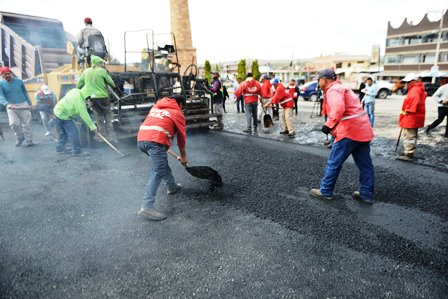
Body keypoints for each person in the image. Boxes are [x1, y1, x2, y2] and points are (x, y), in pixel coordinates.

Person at [309, 69, 375, 204]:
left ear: (325, 79)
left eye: (318, 79)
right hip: (363, 129)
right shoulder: (342, 88)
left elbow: (338, 108)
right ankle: (366, 194)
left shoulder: (333, 90)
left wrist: (328, 125)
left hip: (349, 131)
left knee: (334, 162)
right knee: (365, 165)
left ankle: (325, 191)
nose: (318, 82)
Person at [137, 95, 187, 221]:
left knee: (161, 163)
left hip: (142, 140)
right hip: (154, 142)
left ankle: (172, 187)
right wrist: (184, 157)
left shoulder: (156, 107)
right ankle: (146, 206)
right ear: (180, 105)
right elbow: (181, 138)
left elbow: (157, 124)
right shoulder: (177, 112)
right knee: (158, 170)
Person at [77, 55, 117, 142]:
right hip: (103, 98)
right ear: (98, 63)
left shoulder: (85, 71)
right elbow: (112, 83)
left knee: (98, 117)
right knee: (107, 115)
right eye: (102, 63)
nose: (102, 64)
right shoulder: (102, 71)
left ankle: (102, 136)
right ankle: (111, 135)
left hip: (92, 98)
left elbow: (78, 85)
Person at [53, 88, 98, 156]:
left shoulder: (76, 91)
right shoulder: (80, 103)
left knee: (64, 132)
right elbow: (85, 116)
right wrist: (93, 128)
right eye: (88, 98)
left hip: (57, 110)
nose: (88, 100)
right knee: (74, 132)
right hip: (63, 114)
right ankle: (77, 151)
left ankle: (60, 148)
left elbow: (68, 94)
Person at [0, 66, 34, 146]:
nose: (7, 76)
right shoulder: (1, 84)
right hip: (10, 105)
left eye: (8, 73)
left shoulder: (19, 81)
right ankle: (20, 137)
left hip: (23, 104)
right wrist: (6, 104)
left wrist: (29, 104)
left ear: (11, 73)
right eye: (5, 74)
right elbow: (0, 95)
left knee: (26, 123)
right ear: (2, 75)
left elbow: (25, 93)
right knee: (13, 123)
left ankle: (29, 140)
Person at [396, 73, 427, 161]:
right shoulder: (418, 89)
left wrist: (407, 109)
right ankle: (409, 151)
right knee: (412, 135)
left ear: (414, 81)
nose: (406, 83)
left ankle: (409, 153)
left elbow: (414, 103)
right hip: (414, 117)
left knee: (409, 136)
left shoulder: (415, 90)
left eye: (408, 82)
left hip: (411, 117)